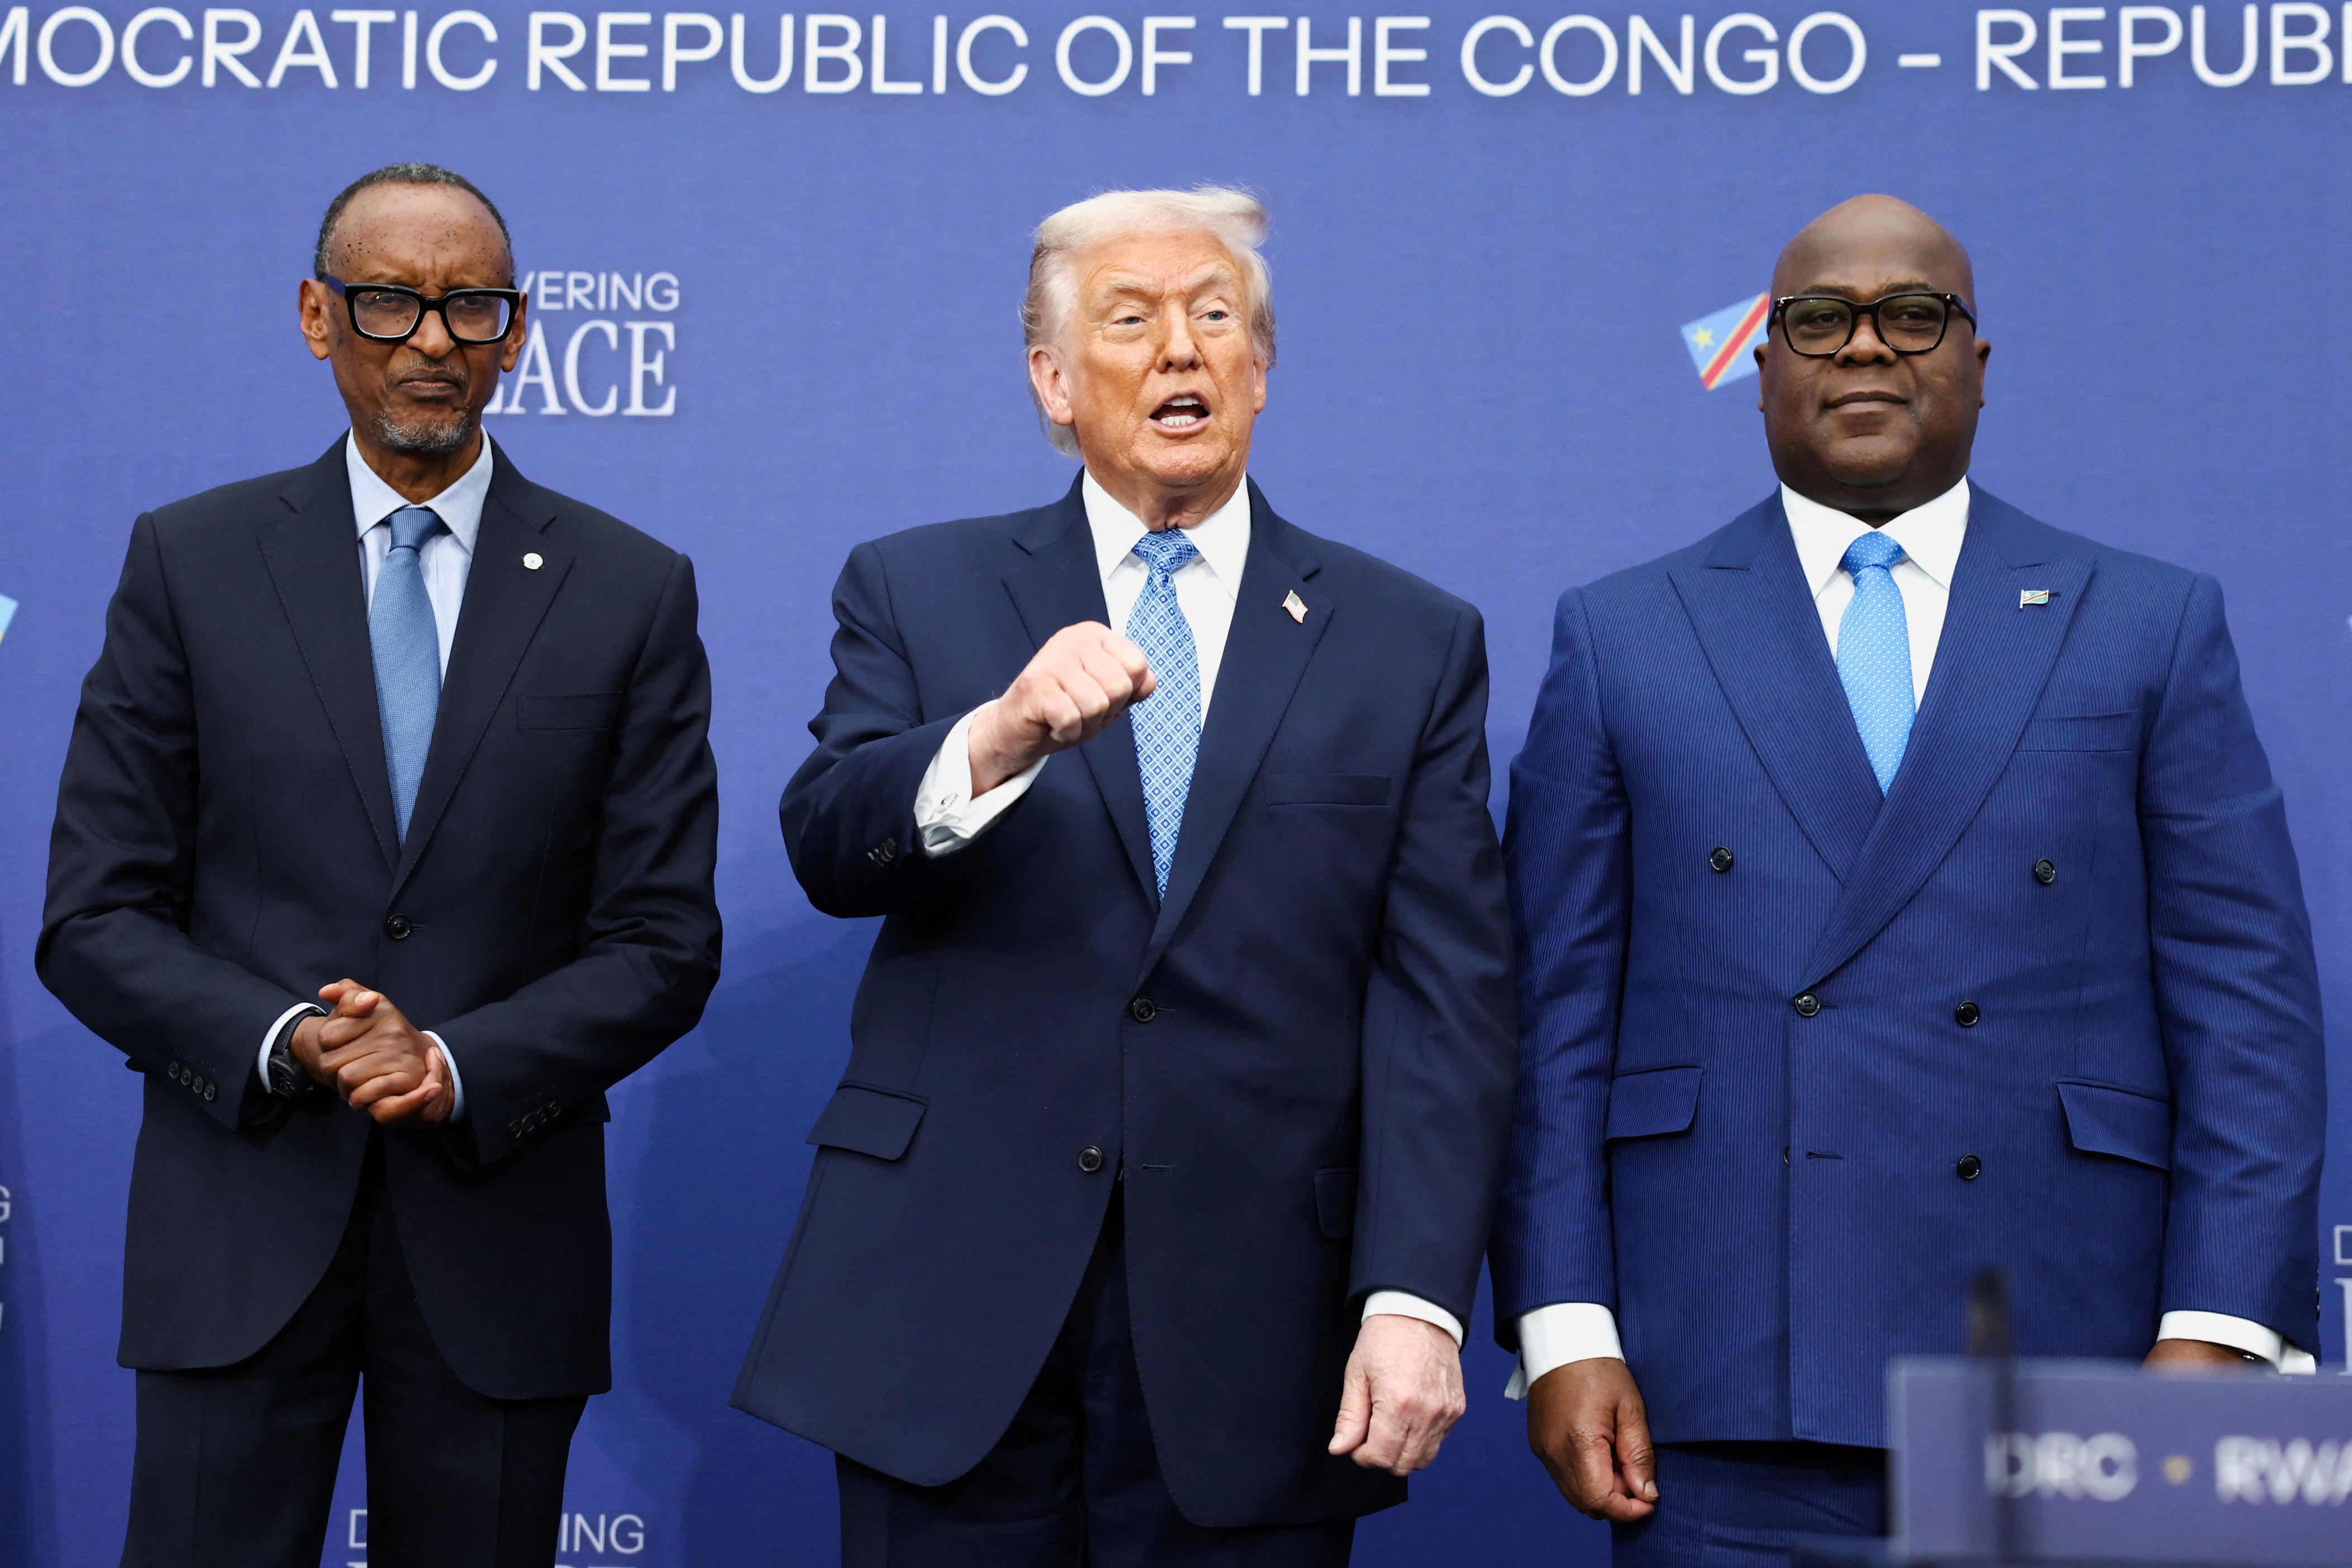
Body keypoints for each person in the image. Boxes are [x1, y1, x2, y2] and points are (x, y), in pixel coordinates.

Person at [1491, 194, 2325, 1564]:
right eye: (1820, 320)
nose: (1866, 348)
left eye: (1913, 315)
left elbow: (2248, 1010)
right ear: (1763, 369)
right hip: (1725, 1374)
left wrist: (2220, 1328)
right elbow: (1550, 1019)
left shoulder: (2150, 622)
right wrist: (1567, 1325)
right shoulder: (1624, 632)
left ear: (1978, 365)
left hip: (2080, 1363)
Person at [731, 187, 1516, 1566]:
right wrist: (998, 732)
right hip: (949, 1308)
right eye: (1131, 319)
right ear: (1051, 376)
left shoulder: (1409, 639)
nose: (1181, 352)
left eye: (1218, 316)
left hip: (1260, 1327)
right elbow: (826, 840)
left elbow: (1447, 999)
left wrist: (1416, 1294)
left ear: (1262, 368)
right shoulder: (919, 589)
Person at [39, 163, 722, 1568]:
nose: (431, 339)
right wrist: (288, 1036)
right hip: (238, 1214)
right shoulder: (191, 561)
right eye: (389, 300)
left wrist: (453, 1065)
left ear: (518, 331)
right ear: (315, 316)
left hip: (498, 1224)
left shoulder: (631, 587)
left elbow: (662, 940)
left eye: (468, 306)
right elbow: (94, 910)